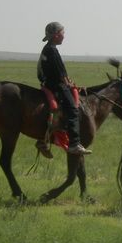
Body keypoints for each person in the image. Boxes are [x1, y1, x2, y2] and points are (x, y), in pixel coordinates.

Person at [37, 22, 92, 156]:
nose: (64, 36)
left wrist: (69, 82)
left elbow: (60, 73)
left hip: (51, 83)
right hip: (56, 85)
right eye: (62, 33)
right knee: (73, 109)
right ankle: (74, 144)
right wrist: (69, 84)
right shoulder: (52, 51)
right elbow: (60, 75)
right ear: (56, 35)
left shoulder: (49, 48)